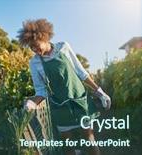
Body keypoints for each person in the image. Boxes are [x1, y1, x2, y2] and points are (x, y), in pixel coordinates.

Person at [18, 19, 111, 155]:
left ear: (45, 37)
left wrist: (100, 92)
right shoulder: (34, 63)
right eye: (32, 48)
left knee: (90, 140)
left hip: (80, 102)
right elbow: (41, 91)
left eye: (37, 46)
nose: (36, 51)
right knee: (68, 146)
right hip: (60, 107)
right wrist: (33, 103)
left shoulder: (63, 47)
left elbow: (81, 73)